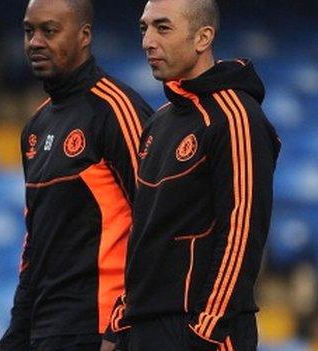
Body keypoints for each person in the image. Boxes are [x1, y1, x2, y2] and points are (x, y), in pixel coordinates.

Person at [107, 0, 281, 350]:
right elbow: (145, 233)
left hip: (201, 332)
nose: (147, 41)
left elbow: (242, 235)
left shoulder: (236, 118)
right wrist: (119, 323)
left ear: (203, 38)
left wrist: (206, 331)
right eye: (144, 28)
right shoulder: (158, 122)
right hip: (143, 330)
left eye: (163, 27)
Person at [0, 0, 152, 350]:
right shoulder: (35, 128)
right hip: (45, 330)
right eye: (28, 31)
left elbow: (156, 221)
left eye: (49, 31)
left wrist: (120, 326)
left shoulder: (116, 109)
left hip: (100, 330)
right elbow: (34, 246)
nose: (35, 42)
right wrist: (17, 333)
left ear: (84, 36)